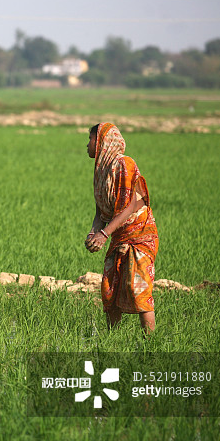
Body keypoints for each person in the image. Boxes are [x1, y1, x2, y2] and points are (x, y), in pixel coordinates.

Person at [84, 123, 159, 332]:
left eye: (90, 140)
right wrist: (94, 232)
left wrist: (104, 234)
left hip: (139, 234)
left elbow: (128, 208)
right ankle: (112, 339)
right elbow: (100, 212)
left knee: (138, 289)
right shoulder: (101, 172)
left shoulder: (125, 165)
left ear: (102, 143)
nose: (86, 145)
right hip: (119, 235)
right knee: (110, 288)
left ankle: (151, 344)